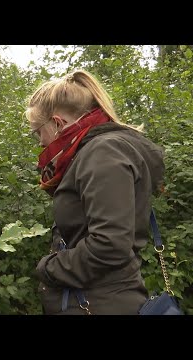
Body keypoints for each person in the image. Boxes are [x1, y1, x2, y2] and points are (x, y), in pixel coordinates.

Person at [25, 70, 165, 315]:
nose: (39, 143)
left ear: (58, 123)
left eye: (38, 131)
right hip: (95, 297)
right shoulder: (92, 152)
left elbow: (110, 244)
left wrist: (49, 268)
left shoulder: (103, 153)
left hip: (100, 302)